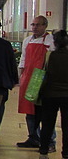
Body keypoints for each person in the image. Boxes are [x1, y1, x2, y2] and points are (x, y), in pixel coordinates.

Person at [17, 15, 55, 151]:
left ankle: (50, 141)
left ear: (45, 26)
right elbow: (23, 58)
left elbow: (52, 60)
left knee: (44, 112)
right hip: (28, 77)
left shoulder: (50, 40)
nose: (34, 27)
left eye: (38, 25)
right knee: (30, 110)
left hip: (42, 78)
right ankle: (33, 137)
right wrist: (21, 75)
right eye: (33, 25)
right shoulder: (27, 40)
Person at [37, 29, 68, 159]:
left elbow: (43, 73)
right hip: (67, 95)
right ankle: (65, 157)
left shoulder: (49, 56)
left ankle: (43, 153)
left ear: (54, 42)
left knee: (47, 125)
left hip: (49, 94)